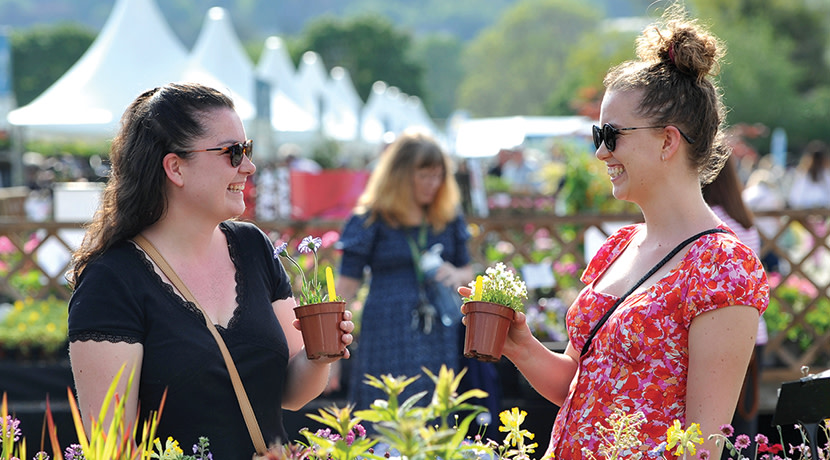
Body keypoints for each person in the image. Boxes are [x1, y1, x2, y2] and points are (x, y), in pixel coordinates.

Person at [461, 5, 768, 458]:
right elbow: (578, 384)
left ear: (667, 140)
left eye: (612, 134)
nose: (601, 152)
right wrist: (522, 346)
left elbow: (701, 446)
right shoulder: (618, 246)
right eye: (596, 134)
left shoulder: (724, 266)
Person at [67, 82, 353, 459]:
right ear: (175, 168)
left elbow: (292, 393)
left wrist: (320, 355)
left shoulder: (253, 248)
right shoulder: (112, 280)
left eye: (247, 150)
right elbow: (111, 445)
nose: (248, 167)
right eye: (233, 152)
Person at [335, 129, 475, 413]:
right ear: (399, 175)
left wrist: (455, 275)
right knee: (383, 409)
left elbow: (468, 269)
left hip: (437, 328)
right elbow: (345, 289)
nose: (432, 184)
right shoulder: (370, 218)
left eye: (438, 176)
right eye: (424, 176)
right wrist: (331, 357)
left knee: (435, 412)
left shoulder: (447, 216)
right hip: (385, 329)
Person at [702, 155, 769, 456]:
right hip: (757, 332)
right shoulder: (744, 221)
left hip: (721, 333)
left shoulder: (709, 223)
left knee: (717, 430)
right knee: (745, 426)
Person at [786, 140, 830, 209]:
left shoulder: (826, 174)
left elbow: (795, 199)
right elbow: (795, 200)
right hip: (805, 213)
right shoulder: (803, 174)